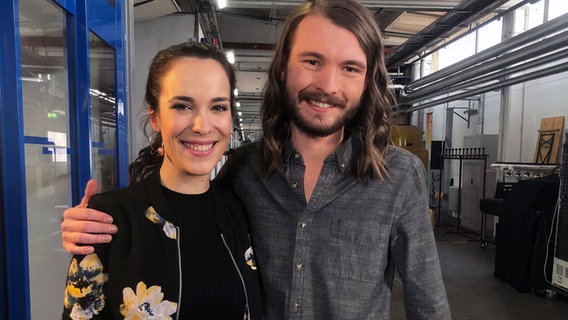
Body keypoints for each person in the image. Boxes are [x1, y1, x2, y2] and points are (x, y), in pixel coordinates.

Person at [61, 0, 451, 319]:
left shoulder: (398, 176)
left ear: (367, 81)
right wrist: (96, 222)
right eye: (312, 61)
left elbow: (428, 305)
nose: (329, 86)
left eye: (350, 68)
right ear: (282, 68)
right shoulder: (245, 171)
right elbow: (183, 204)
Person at [61, 42, 262, 319]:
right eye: (182, 106)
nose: (202, 126)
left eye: (218, 107)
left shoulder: (238, 213)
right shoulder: (109, 221)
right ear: (154, 116)